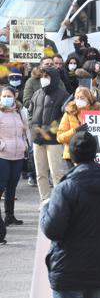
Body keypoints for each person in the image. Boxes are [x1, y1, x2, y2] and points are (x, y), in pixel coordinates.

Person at [40, 131, 100, 298]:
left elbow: (52, 229)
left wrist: (45, 208)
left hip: (68, 269)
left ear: (73, 155)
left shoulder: (65, 188)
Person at [29, 68, 70, 203]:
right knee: (40, 173)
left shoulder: (63, 95)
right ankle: (44, 200)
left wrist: (46, 132)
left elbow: (62, 120)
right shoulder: (36, 94)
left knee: (56, 173)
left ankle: (59, 202)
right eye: (42, 76)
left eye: (47, 76)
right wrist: (34, 130)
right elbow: (30, 113)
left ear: (53, 78)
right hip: (37, 140)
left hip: (53, 141)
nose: (43, 79)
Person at [0, 86, 29, 226]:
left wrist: (24, 145)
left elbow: (25, 131)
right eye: (4, 96)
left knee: (12, 187)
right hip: (3, 156)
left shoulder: (19, 112)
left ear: (14, 97)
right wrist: (2, 146)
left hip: (17, 155)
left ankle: (9, 216)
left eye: (9, 96)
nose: (6, 99)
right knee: (1, 186)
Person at [57, 87, 100, 169]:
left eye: (82, 98)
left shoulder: (98, 112)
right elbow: (60, 138)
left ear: (89, 99)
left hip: (92, 155)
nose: (78, 100)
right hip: (72, 156)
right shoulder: (69, 113)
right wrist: (75, 131)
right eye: (77, 98)